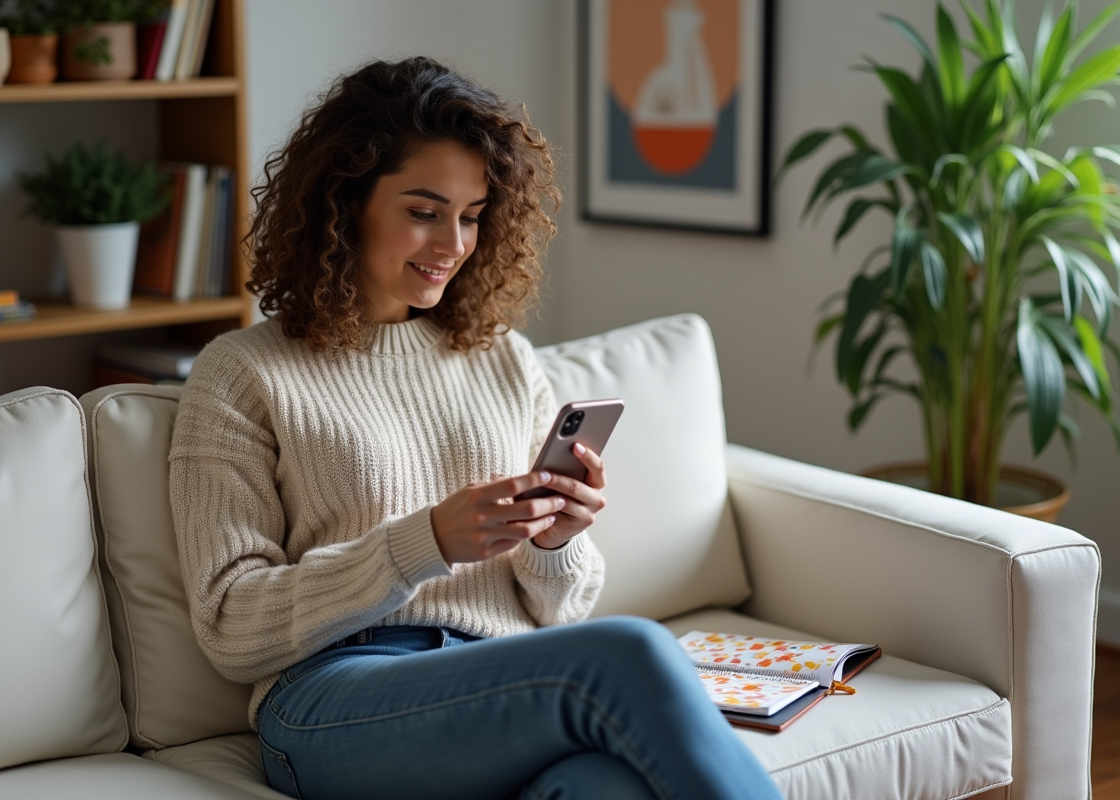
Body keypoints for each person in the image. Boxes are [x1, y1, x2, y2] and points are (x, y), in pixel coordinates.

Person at [168, 56, 782, 800]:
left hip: (497, 680)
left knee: (603, 785)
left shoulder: (504, 360)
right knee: (629, 653)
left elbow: (560, 609)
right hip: (334, 700)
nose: (454, 245)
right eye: (424, 212)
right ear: (344, 200)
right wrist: (423, 543)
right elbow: (232, 624)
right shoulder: (242, 373)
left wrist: (555, 541)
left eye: (471, 215)